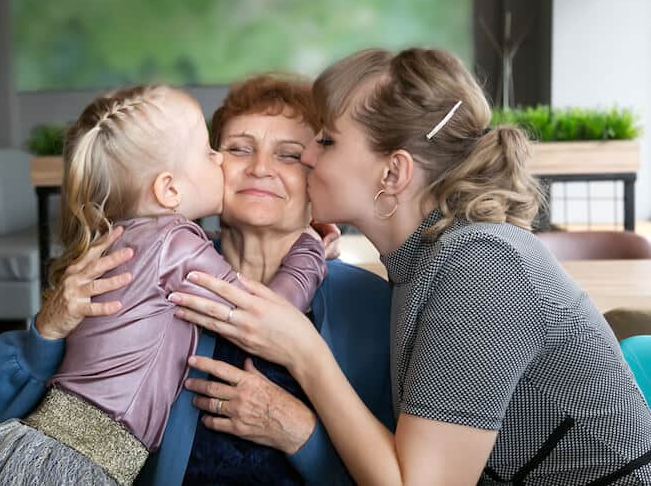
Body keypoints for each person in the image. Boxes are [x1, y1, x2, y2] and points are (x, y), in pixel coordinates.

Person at [169, 48, 651, 485]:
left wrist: (304, 350)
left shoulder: (483, 264)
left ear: (393, 173)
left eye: (327, 142)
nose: (309, 158)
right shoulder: (421, 264)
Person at [0, 75, 395, 485]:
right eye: (237, 149)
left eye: (288, 154)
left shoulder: (370, 305)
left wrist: (302, 434)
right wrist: (48, 330)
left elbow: (404, 476)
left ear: (317, 178)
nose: (260, 168)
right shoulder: (121, 270)